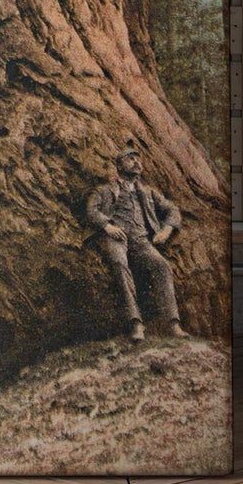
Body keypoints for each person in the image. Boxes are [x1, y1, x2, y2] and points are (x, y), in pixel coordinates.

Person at [85, 141, 188, 343]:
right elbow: (91, 210)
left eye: (137, 158)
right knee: (119, 264)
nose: (136, 162)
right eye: (130, 159)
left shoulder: (148, 193)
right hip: (116, 238)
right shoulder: (105, 190)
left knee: (162, 266)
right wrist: (108, 226)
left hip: (141, 241)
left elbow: (172, 209)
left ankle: (173, 323)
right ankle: (135, 323)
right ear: (120, 166)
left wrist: (166, 230)